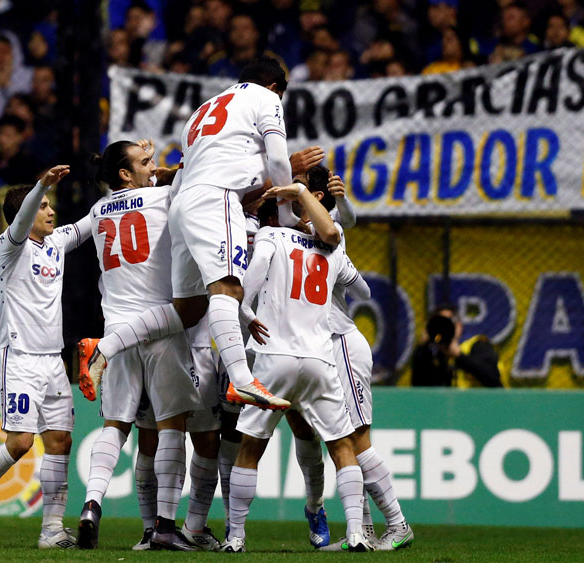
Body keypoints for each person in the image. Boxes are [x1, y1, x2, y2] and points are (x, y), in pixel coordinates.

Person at [79, 57, 297, 410]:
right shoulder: (265, 98)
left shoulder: (201, 111)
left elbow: (186, 171)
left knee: (189, 309)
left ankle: (104, 347)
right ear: (275, 87)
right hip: (218, 198)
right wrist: (286, 215)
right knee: (228, 287)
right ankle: (242, 381)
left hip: (183, 205)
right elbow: (279, 160)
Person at [228, 178, 371, 553]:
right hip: (319, 359)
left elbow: (252, 280)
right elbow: (339, 238)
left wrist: (244, 311)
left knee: (250, 448)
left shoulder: (271, 237)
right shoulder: (331, 245)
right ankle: (356, 532)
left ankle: (235, 536)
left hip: (275, 357)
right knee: (342, 447)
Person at [0, 165, 90, 550]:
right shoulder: (9, 247)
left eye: (50, 204)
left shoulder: (57, 242)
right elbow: (23, 217)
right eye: (43, 206)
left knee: (60, 441)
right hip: (19, 359)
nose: (51, 211)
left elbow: (94, 220)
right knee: (21, 443)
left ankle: (51, 531)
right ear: (24, 214)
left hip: (52, 361)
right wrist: (41, 184)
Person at [77, 140, 203, 552]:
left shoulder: (97, 211)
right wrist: (171, 173)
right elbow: (200, 176)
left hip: (117, 324)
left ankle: (92, 504)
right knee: (172, 426)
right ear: (125, 175)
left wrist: (156, 170)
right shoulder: (163, 197)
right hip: (161, 325)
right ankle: (165, 528)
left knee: (115, 426)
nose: (155, 167)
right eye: (145, 162)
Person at [292, 167, 414, 552]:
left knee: (357, 440)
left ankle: (398, 523)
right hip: (324, 346)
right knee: (341, 441)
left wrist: (339, 203)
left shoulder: (326, 232)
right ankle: (362, 530)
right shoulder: (306, 231)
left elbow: (361, 287)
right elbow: (360, 288)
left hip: (341, 342)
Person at [411, 305, 503, 387]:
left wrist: (459, 355)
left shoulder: (477, 346)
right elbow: (419, 388)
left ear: (459, 326)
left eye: (447, 323)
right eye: (439, 325)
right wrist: (423, 348)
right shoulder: (433, 354)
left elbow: (493, 379)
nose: (443, 328)